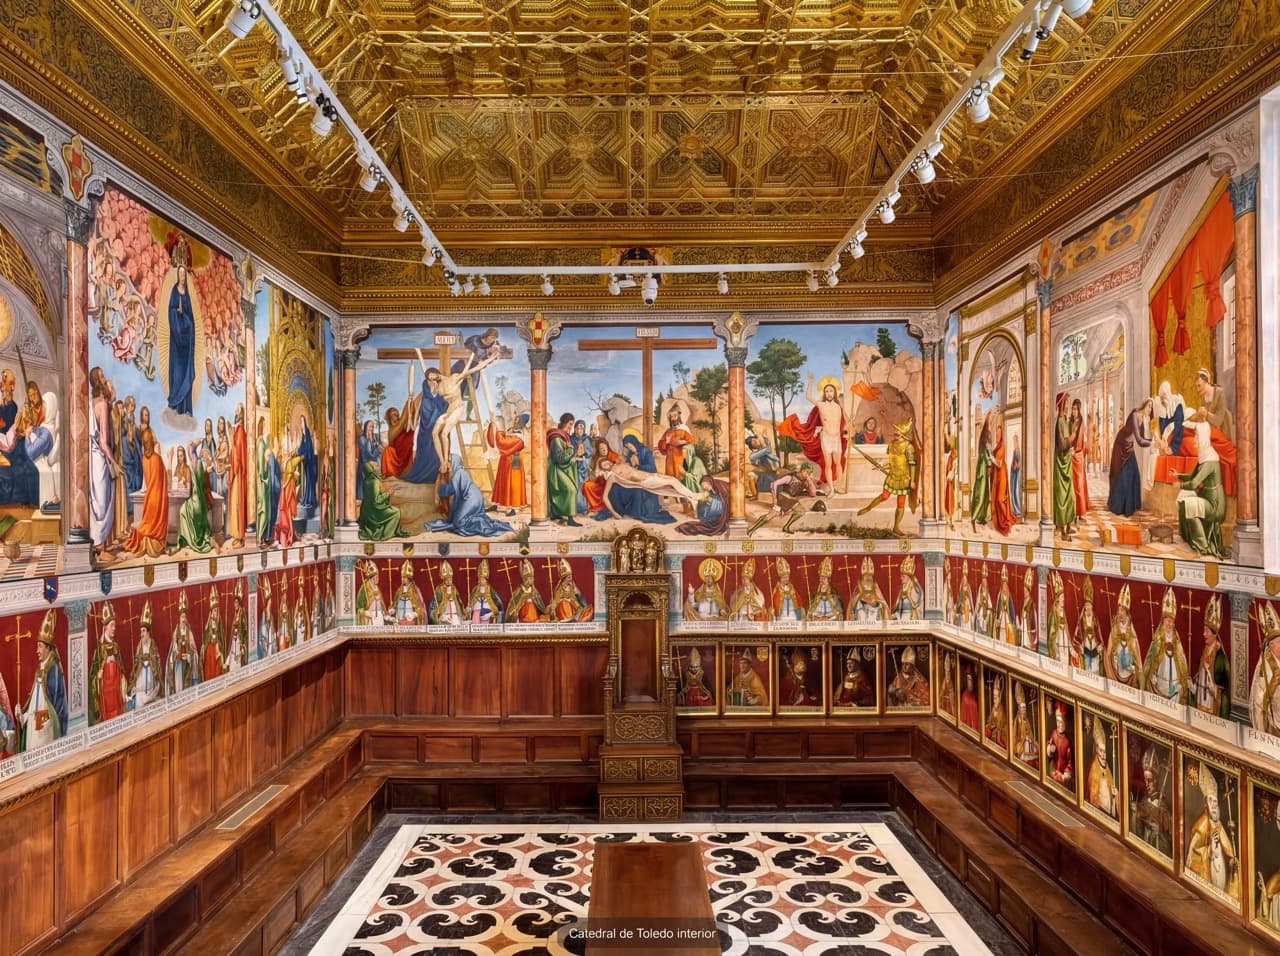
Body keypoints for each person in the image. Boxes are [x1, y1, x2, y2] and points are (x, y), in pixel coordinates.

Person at [596, 439, 705, 523]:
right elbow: (605, 497)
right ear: (604, 469)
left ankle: (694, 500)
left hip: (649, 476)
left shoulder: (621, 464)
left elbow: (633, 460)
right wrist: (615, 514)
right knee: (671, 482)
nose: (608, 464)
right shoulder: (612, 476)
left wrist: (635, 459)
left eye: (607, 462)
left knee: (671, 484)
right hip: (645, 482)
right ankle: (695, 496)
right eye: (604, 465)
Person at [778, 375, 845, 495]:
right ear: (824, 393)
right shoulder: (821, 405)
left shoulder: (839, 407)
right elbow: (808, 396)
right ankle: (832, 489)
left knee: (838, 463)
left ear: (835, 392)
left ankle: (839, 486)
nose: (829, 393)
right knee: (828, 464)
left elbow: (846, 422)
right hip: (826, 438)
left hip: (836, 438)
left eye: (831, 391)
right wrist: (811, 382)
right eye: (826, 391)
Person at [1183, 763, 1239, 900]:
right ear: (1205, 805)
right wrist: (1211, 852)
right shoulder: (1201, 826)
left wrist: (1232, 860)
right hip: (1207, 879)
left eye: (1215, 801)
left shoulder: (1218, 824)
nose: (1214, 805)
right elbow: (1192, 857)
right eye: (1210, 801)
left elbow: (1229, 851)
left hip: (1221, 877)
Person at [855, 420, 919, 536]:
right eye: (895, 430)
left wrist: (913, 480)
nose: (895, 432)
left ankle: (896, 527)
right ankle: (868, 508)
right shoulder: (892, 444)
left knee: (901, 503)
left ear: (902, 433)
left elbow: (912, 464)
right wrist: (882, 466)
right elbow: (892, 463)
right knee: (884, 496)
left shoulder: (909, 447)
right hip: (892, 476)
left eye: (897, 430)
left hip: (904, 478)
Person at [1176, 419, 1229, 559]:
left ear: (1204, 437)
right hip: (1206, 499)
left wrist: (1180, 485)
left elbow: (1193, 484)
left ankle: (1203, 545)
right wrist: (1178, 475)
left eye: (1197, 436)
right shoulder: (1203, 457)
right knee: (1183, 499)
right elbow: (1191, 476)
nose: (1194, 439)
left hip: (1215, 505)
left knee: (1189, 504)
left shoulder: (1210, 460)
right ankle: (1187, 537)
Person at [428, 454, 515, 538]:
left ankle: (479, 524)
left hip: (471, 499)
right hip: (476, 497)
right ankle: (476, 521)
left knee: (458, 523)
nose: (449, 465)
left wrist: (441, 485)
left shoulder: (459, 473)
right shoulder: (461, 472)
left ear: (454, 463)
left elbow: (448, 491)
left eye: (450, 462)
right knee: (465, 518)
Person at [17, 611, 67, 751]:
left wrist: (43, 721)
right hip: (34, 729)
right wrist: (23, 716)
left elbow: (55, 706)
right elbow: (35, 704)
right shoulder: (40, 669)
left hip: (44, 732)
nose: (36, 651)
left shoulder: (53, 670)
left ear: (48, 648)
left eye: (40, 646)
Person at [123, 426, 169, 558]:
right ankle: (153, 544)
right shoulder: (157, 459)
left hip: (150, 499)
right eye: (153, 438)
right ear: (151, 441)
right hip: (157, 498)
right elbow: (164, 479)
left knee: (147, 524)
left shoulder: (144, 459)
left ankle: (145, 540)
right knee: (154, 527)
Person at [89, 367, 118, 556]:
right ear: (100, 382)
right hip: (100, 457)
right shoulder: (102, 406)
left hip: (91, 457)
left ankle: (101, 544)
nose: (107, 379)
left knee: (96, 499)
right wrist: (114, 463)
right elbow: (104, 442)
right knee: (103, 501)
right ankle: (99, 546)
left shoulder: (91, 403)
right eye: (103, 377)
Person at [1107, 398, 1154, 517]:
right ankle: (1118, 506)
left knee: (1135, 475)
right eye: (1149, 406)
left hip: (1129, 447)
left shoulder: (1142, 420)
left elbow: (1141, 440)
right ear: (1144, 405)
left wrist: (1153, 441)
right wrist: (1153, 442)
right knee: (1122, 476)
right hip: (1121, 446)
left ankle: (1130, 506)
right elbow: (1139, 439)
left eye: (1151, 407)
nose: (1150, 409)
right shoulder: (1134, 415)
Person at [401, 365, 447, 484]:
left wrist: (438, 389)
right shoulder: (425, 384)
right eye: (430, 374)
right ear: (427, 375)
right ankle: (419, 472)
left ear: (437, 375)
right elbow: (427, 400)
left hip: (434, 416)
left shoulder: (439, 385)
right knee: (422, 443)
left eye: (434, 374)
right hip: (425, 418)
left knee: (433, 444)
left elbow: (440, 400)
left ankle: (431, 473)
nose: (432, 376)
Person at [1142, 588, 1189, 703]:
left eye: (1172, 621)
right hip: (1160, 685)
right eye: (1167, 620)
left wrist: (1181, 683)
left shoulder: (1177, 643)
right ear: (1163, 621)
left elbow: (1182, 665)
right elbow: (1150, 663)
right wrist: (1151, 675)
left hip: (1174, 687)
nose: (1170, 624)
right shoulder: (1157, 641)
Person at [166, 257, 196, 417]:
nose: (183, 277)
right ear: (178, 275)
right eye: (181, 274)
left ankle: (185, 408)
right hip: (177, 344)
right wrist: (177, 315)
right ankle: (176, 405)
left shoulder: (188, 296)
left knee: (186, 373)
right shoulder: (174, 291)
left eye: (185, 274)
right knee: (177, 374)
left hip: (187, 341)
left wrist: (185, 319)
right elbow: (171, 312)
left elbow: (191, 317)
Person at [89, 602, 127, 725]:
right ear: (105, 627)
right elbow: (92, 677)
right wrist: (97, 677)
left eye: (114, 625)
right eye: (112, 625)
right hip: (105, 694)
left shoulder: (115, 646)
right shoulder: (99, 649)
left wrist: (123, 680)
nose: (114, 628)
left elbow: (121, 669)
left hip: (116, 692)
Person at [1191, 594, 1229, 718]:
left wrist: (1215, 690)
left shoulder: (1220, 657)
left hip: (1212, 705)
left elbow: (1224, 688)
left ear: (1214, 635)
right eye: (1204, 631)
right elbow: (1200, 675)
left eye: (1206, 631)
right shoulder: (1204, 651)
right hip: (1200, 700)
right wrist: (1193, 686)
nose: (1203, 634)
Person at [1132, 746, 1171, 856]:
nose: (1146, 783)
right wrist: (1136, 812)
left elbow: (1168, 833)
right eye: (1145, 780)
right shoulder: (1145, 799)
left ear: (1156, 780)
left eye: (1149, 780)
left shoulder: (1162, 805)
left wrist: (1159, 831)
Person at [487, 414, 528, 513]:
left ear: (521, 424)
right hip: (504, 460)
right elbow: (496, 443)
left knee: (513, 483)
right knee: (501, 482)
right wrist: (493, 427)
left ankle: (513, 508)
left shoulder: (519, 435)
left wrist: (498, 429)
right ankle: (497, 504)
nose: (515, 422)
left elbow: (502, 442)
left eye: (517, 421)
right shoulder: (510, 431)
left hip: (514, 461)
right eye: (515, 420)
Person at [127, 601, 164, 710]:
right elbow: (136, 665)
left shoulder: (153, 645)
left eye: (143, 631)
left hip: (151, 686)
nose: (141, 634)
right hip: (140, 687)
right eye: (141, 631)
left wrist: (150, 659)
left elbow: (156, 663)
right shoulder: (139, 646)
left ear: (148, 632)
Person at [358, 461, 408, 540]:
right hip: (374, 512)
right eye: (376, 466)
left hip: (366, 510)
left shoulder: (367, 480)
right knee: (396, 512)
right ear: (372, 469)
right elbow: (376, 500)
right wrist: (388, 493)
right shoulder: (375, 481)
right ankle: (385, 534)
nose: (378, 467)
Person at [547, 412, 581, 526]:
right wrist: (571, 450)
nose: (571, 427)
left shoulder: (563, 437)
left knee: (571, 489)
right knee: (570, 489)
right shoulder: (556, 438)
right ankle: (570, 519)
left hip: (561, 468)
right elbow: (559, 458)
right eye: (570, 424)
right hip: (555, 470)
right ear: (565, 423)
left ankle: (557, 513)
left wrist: (572, 458)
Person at [1104, 584, 1142, 687]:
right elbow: (1108, 653)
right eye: (1119, 610)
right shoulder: (1114, 630)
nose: (1119, 613)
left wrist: (1133, 667)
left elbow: (1137, 657)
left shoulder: (1132, 634)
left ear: (1126, 612)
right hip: (1116, 673)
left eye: (1122, 610)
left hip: (1129, 675)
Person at [178, 450, 215, 554]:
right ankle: (188, 538)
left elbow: (198, 487)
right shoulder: (194, 465)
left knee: (182, 511)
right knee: (182, 510)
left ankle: (191, 539)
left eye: (190, 453)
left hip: (198, 501)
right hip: (196, 499)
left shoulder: (197, 464)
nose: (189, 456)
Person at [1250, 602, 1280, 734]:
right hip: (1273, 725)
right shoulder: (1265, 666)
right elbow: (1258, 702)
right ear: (1271, 645)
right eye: (1279, 642)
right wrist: (1273, 683)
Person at [165, 593, 200, 695]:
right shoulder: (176, 633)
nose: (184, 619)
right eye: (182, 617)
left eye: (185, 617)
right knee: (179, 687)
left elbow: (194, 651)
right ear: (179, 618)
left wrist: (190, 655)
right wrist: (177, 655)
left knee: (187, 687)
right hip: (179, 665)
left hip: (187, 665)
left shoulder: (189, 633)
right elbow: (173, 652)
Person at [1053, 393, 1076, 540]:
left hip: (1067, 463)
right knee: (1062, 497)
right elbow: (1062, 445)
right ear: (1062, 404)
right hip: (1061, 464)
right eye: (1066, 402)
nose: (1068, 405)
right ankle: (1062, 530)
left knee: (1069, 497)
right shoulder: (1060, 422)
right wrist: (1072, 437)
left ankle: (1068, 525)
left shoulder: (1065, 421)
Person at [1085, 717, 1116, 819]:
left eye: (1105, 752)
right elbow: (1092, 799)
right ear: (1097, 750)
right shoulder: (1094, 769)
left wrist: (1115, 797)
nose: (1103, 755)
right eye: (1101, 751)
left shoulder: (1107, 768)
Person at [656, 404, 694, 484]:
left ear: (679, 415)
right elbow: (661, 445)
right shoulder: (668, 431)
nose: (673, 418)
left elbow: (690, 441)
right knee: (670, 478)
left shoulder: (684, 428)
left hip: (680, 457)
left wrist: (680, 442)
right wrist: (666, 442)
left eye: (675, 415)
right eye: (671, 416)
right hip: (670, 459)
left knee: (680, 477)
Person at [227, 404, 248, 547]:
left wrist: (230, 437)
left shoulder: (240, 432)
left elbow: (238, 457)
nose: (235, 411)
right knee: (234, 504)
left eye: (238, 410)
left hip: (238, 474)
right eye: (236, 409)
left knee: (237, 504)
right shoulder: (237, 431)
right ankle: (236, 535)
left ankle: (240, 537)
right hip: (235, 473)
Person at [380, 397, 417, 478]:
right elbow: (403, 419)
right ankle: (388, 472)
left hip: (405, 454)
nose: (396, 415)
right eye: (394, 414)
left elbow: (411, 418)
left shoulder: (403, 425)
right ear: (389, 417)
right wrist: (408, 403)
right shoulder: (392, 430)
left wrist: (411, 405)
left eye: (397, 414)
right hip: (396, 457)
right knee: (387, 450)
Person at [969, 411, 993, 529]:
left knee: (985, 494)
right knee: (981, 493)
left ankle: (981, 518)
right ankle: (974, 518)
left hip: (983, 469)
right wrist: (991, 463)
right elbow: (987, 454)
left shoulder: (987, 434)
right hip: (982, 471)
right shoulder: (986, 435)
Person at [990, 422, 1015, 535]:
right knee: (997, 499)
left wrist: (991, 458)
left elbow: (999, 464)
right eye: (996, 434)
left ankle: (1006, 520)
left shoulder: (1002, 446)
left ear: (1002, 435)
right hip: (997, 475)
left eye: (999, 434)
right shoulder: (997, 447)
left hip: (1002, 474)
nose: (997, 436)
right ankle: (1002, 519)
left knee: (1000, 499)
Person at [727, 558, 770, 622]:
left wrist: (751, 600)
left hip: (752, 615)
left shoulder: (756, 591)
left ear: (749, 580)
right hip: (742, 615)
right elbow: (733, 603)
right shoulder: (739, 591)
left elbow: (760, 604)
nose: (743, 581)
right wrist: (741, 598)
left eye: (745, 579)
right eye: (742, 579)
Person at [848, 556, 888, 623]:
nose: (868, 578)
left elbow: (883, 604)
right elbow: (851, 608)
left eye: (870, 576)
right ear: (862, 579)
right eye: (866, 576)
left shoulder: (876, 591)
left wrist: (874, 603)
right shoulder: (858, 593)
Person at [1075, 578, 1103, 674]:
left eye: (1089, 605)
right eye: (1086, 605)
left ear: (1092, 606)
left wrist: (1100, 646)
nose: (1088, 607)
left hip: (1095, 649)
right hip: (1086, 648)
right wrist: (1081, 646)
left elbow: (1099, 634)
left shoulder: (1095, 619)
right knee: (1087, 670)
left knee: (1095, 671)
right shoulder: (1082, 619)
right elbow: (1079, 633)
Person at [506, 559, 546, 623]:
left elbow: (540, 604)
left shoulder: (534, 590)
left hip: (534, 615)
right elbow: (514, 606)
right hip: (523, 614)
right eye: (531, 578)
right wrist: (514, 611)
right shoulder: (519, 590)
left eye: (533, 578)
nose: (533, 580)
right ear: (525, 579)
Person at [465, 559, 504, 624]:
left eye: (483, 579)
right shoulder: (475, 590)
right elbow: (470, 604)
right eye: (479, 579)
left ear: (486, 580)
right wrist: (469, 609)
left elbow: (498, 608)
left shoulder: (491, 591)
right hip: (476, 615)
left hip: (487, 616)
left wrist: (490, 614)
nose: (481, 581)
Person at [1069, 398, 1089, 523]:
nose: (1073, 411)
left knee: (1080, 483)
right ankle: (1073, 511)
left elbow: (1081, 441)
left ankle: (1081, 512)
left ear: (1079, 409)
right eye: (1072, 408)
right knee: (1072, 484)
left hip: (1078, 455)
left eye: (1075, 409)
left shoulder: (1081, 423)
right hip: (1071, 455)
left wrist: (1076, 450)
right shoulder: (1070, 422)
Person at [1046, 571, 1072, 664]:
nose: (1063, 599)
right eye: (1062, 597)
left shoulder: (1064, 614)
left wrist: (1072, 650)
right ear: (1057, 600)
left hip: (1065, 650)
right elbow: (1052, 635)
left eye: (1064, 596)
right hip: (1058, 651)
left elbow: (1067, 634)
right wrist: (1055, 652)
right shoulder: (1053, 614)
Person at [807, 556, 843, 622]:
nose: (822, 580)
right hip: (817, 620)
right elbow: (810, 612)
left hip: (830, 620)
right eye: (821, 578)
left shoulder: (833, 594)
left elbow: (839, 612)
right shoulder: (814, 594)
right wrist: (815, 617)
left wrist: (826, 617)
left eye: (824, 578)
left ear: (828, 580)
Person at [1046, 703, 1074, 787]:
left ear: (1065, 723)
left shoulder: (1067, 741)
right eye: (1058, 721)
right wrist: (1050, 749)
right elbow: (1048, 745)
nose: (1060, 725)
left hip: (1061, 775)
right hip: (1052, 771)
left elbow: (1070, 762)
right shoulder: (1053, 734)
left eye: (1062, 722)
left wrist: (1065, 775)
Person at [391, 561, 426, 625]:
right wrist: (392, 609)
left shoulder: (415, 591)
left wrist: (414, 614)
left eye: (404, 577)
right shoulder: (399, 591)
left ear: (409, 578)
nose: (402, 579)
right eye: (401, 577)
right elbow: (394, 604)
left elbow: (422, 609)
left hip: (411, 623)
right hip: (399, 621)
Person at [771, 556, 805, 621]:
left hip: (793, 614)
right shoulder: (777, 589)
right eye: (784, 577)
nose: (786, 579)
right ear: (780, 578)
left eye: (787, 577)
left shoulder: (792, 588)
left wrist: (799, 611)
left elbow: (798, 601)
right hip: (782, 615)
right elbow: (775, 603)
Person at [354, 560, 387, 627]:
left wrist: (384, 613)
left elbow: (381, 604)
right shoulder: (365, 588)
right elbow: (359, 608)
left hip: (379, 617)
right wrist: (365, 612)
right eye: (376, 577)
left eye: (378, 576)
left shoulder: (377, 588)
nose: (378, 578)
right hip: (369, 618)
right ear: (372, 578)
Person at [1012, 684, 1037, 768]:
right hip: (1021, 744)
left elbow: (1029, 731)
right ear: (1019, 709)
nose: (1024, 710)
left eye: (1025, 708)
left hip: (1028, 742)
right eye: (1023, 708)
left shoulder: (1026, 720)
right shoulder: (1017, 720)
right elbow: (1015, 735)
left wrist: (1030, 738)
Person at [991, 565, 1017, 644]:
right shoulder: (1000, 595)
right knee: (1002, 633)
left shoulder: (1009, 596)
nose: (1004, 587)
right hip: (1002, 618)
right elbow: (998, 607)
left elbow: (1011, 609)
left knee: (1007, 633)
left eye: (1006, 585)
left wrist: (1012, 619)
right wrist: (998, 616)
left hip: (1007, 619)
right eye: (1003, 585)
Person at [297, 415, 318, 511]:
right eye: (300, 421)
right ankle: (307, 498)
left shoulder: (308, 433)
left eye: (302, 421)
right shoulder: (303, 435)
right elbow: (302, 447)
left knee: (309, 480)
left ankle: (309, 500)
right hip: (306, 461)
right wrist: (299, 451)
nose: (301, 424)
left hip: (310, 461)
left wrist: (304, 454)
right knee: (306, 480)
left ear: (305, 422)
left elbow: (309, 448)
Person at [202, 596, 225, 681]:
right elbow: (206, 639)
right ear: (211, 612)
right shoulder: (208, 625)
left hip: (217, 650)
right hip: (210, 652)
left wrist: (219, 648)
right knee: (210, 672)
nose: (216, 612)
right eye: (215, 611)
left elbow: (221, 638)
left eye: (217, 610)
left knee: (217, 671)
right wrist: (211, 639)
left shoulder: (219, 623)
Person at [984, 673, 1008, 748]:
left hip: (999, 732)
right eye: (993, 698)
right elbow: (990, 720)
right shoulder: (994, 707)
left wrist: (992, 727)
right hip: (992, 730)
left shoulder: (1001, 711)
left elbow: (1000, 726)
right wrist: (988, 725)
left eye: (996, 698)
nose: (994, 701)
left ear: (999, 698)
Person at [1018, 567, 1037, 651]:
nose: (1024, 592)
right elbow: (1020, 612)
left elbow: (1033, 618)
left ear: (1029, 592)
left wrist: (1032, 631)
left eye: (1026, 591)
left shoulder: (1031, 603)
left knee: (1028, 645)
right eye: (1024, 590)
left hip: (1028, 628)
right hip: (1024, 626)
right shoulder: (1023, 602)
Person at [972, 564, 994, 637]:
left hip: (985, 614)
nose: (984, 583)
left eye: (985, 581)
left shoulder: (988, 594)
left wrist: (988, 613)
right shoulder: (980, 591)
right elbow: (977, 603)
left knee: (984, 629)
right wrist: (976, 612)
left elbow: (990, 606)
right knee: (979, 626)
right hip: (980, 613)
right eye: (983, 581)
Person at [257, 577, 277, 657]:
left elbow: (273, 627)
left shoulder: (270, 614)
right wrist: (264, 637)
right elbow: (263, 626)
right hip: (266, 638)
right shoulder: (264, 613)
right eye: (270, 600)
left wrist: (274, 634)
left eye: (271, 600)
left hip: (271, 638)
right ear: (267, 602)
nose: (271, 602)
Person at [959, 667, 979, 731]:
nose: (970, 683)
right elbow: (963, 718)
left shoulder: (975, 694)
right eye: (968, 679)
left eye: (971, 680)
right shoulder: (965, 696)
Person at [1009, 433, 1022, 519]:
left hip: (1016, 473)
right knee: (1013, 491)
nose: (1014, 442)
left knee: (1016, 491)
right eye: (1013, 440)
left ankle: (1017, 511)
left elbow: (1018, 464)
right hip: (1013, 473)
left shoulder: (1018, 450)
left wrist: (1015, 465)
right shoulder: (1015, 450)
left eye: (1015, 440)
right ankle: (1014, 510)